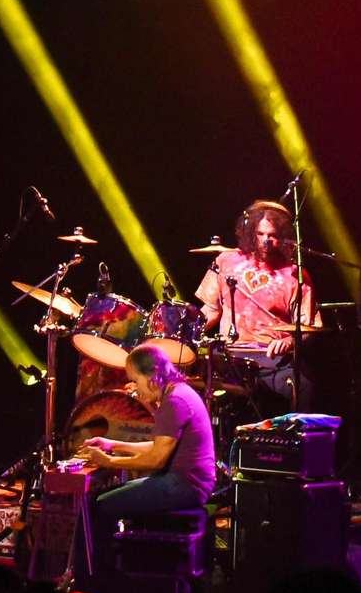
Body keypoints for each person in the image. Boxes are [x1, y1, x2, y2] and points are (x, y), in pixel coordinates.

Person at [77, 342, 218, 533]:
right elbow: (158, 446)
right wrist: (112, 444)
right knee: (102, 497)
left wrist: (108, 461)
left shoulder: (175, 401)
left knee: (99, 506)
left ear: (153, 376)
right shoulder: (177, 393)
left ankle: (100, 554)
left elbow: (156, 460)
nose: (134, 388)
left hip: (186, 486)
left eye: (136, 380)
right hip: (185, 482)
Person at [196, 198, 317, 411]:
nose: (266, 241)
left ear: (284, 238)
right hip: (231, 357)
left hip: (272, 360)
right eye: (260, 234)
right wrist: (187, 333)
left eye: (272, 236)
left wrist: (289, 341)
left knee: (305, 387)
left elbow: (308, 327)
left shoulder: (295, 275)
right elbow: (211, 310)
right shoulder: (227, 260)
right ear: (251, 233)